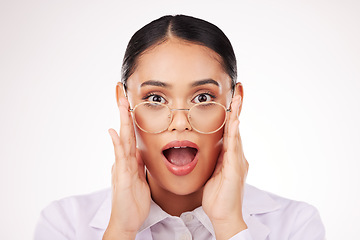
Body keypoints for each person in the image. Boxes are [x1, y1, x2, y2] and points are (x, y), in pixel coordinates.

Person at [34, 15, 325, 240]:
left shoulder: (296, 224)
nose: (181, 122)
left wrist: (230, 226)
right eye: (156, 98)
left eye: (203, 97)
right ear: (124, 103)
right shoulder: (64, 224)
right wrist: (121, 230)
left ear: (234, 102)